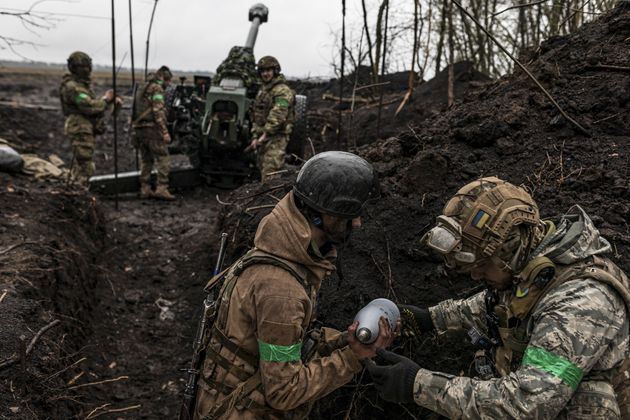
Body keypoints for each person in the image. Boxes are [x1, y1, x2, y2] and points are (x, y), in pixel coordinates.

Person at [367, 176, 630, 419]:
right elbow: (501, 305)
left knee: (587, 399)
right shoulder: (537, 269)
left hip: (544, 404)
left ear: (511, 249)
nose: (475, 275)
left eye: (482, 265)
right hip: (538, 395)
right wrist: (429, 319)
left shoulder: (580, 303)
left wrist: (418, 384)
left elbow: (528, 404)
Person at [193, 151, 393, 419]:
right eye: (350, 214)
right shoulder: (281, 292)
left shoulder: (279, 251)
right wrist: (352, 358)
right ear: (325, 214)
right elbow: (284, 391)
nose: (357, 223)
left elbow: (281, 347)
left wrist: (343, 341)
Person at [59, 51, 114, 186]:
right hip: (80, 127)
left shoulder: (81, 86)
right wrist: (106, 100)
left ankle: (76, 189)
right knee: (85, 166)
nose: (87, 70)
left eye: (88, 66)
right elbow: (88, 106)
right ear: (75, 68)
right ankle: (79, 192)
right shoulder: (73, 87)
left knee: (81, 164)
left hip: (83, 126)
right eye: (83, 67)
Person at [248, 55, 295, 182]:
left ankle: (271, 201)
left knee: (271, 173)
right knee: (261, 170)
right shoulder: (263, 91)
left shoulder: (283, 91)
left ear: (275, 71)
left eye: (268, 70)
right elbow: (256, 116)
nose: (265, 74)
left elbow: (278, 115)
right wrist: (254, 137)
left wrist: (265, 135)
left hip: (276, 138)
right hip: (262, 138)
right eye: (262, 71)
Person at [132, 65, 175, 200]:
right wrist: (165, 132)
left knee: (146, 160)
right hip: (151, 129)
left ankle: (145, 189)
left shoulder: (142, 87)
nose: (168, 85)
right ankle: (161, 188)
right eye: (168, 82)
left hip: (139, 129)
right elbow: (158, 111)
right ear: (165, 79)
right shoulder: (157, 88)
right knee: (163, 158)